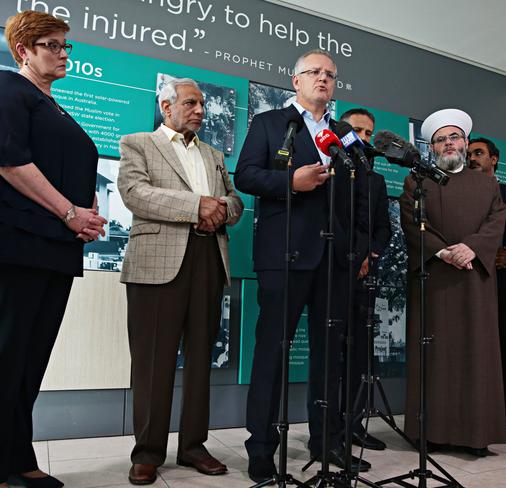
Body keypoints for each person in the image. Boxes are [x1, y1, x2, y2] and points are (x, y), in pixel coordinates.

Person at [235, 49, 369, 482]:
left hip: (335, 259)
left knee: (329, 357)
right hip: (284, 255)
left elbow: (361, 189)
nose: (323, 79)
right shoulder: (270, 124)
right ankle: (261, 449)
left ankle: (327, 442)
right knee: (272, 353)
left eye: (330, 74)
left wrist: (357, 245)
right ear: (295, 81)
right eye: (314, 72)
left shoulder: (344, 132)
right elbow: (246, 176)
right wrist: (290, 182)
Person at [0, 10, 107, 488]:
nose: (64, 54)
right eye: (53, 45)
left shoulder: (53, 106)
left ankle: (16, 457)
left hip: (55, 251)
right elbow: (9, 162)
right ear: (23, 50)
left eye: (67, 45)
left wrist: (83, 220)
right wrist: (70, 212)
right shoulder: (9, 88)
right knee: (7, 356)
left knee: (29, 360)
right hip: (18, 246)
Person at [117, 77, 243, 485]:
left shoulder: (213, 153)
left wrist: (223, 208)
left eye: (202, 104)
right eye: (191, 103)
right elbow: (135, 193)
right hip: (157, 263)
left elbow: (235, 200)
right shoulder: (138, 143)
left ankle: (193, 446)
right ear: (166, 106)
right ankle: (148, 452)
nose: (200, 111)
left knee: (201, 358)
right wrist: (196, 206)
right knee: (153, 360)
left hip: (209, 258)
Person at [400, 108, 506, 456]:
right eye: (440, 140)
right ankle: (430, 433)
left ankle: (474, 435)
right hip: (433, 278)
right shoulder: (417, 181)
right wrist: (443, 252)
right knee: (434, 356)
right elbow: (411, 221)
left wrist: (471, 248)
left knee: (476, 353)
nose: (448, 144)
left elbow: (496, 221)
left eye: (454, 137)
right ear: (432, 147)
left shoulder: (487, 182)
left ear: (465, 142)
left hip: (474, 279)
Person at [339, 108, 391, 451]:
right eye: (358, 130)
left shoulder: (376, 180)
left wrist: (369, 257)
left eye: (370, 133)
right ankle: (331, 430)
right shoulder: (332, 171)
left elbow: (383, 228)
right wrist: (353, 257)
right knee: (334, 355)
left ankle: (354, 424)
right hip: (333, 273)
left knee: (360, 354)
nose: (364, 138)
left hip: (363, 276)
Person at [468, 137, 506, 443]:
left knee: (504, 351)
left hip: (504, 283)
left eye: (478, 153)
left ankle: (501, 418)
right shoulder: (457, 194)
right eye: (468, 154)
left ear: (495, 159)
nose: (472, 159)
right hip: (469, 282)